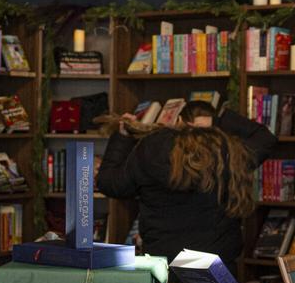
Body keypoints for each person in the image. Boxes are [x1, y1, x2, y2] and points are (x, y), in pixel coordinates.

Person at [98, 100, 275, 270]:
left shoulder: (152, 147)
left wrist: (123, 136)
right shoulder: (227, 151)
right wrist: (219, 120)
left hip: (163, 263)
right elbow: (266, 139)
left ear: (179, 121)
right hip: (215, 264)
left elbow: (110, 184)